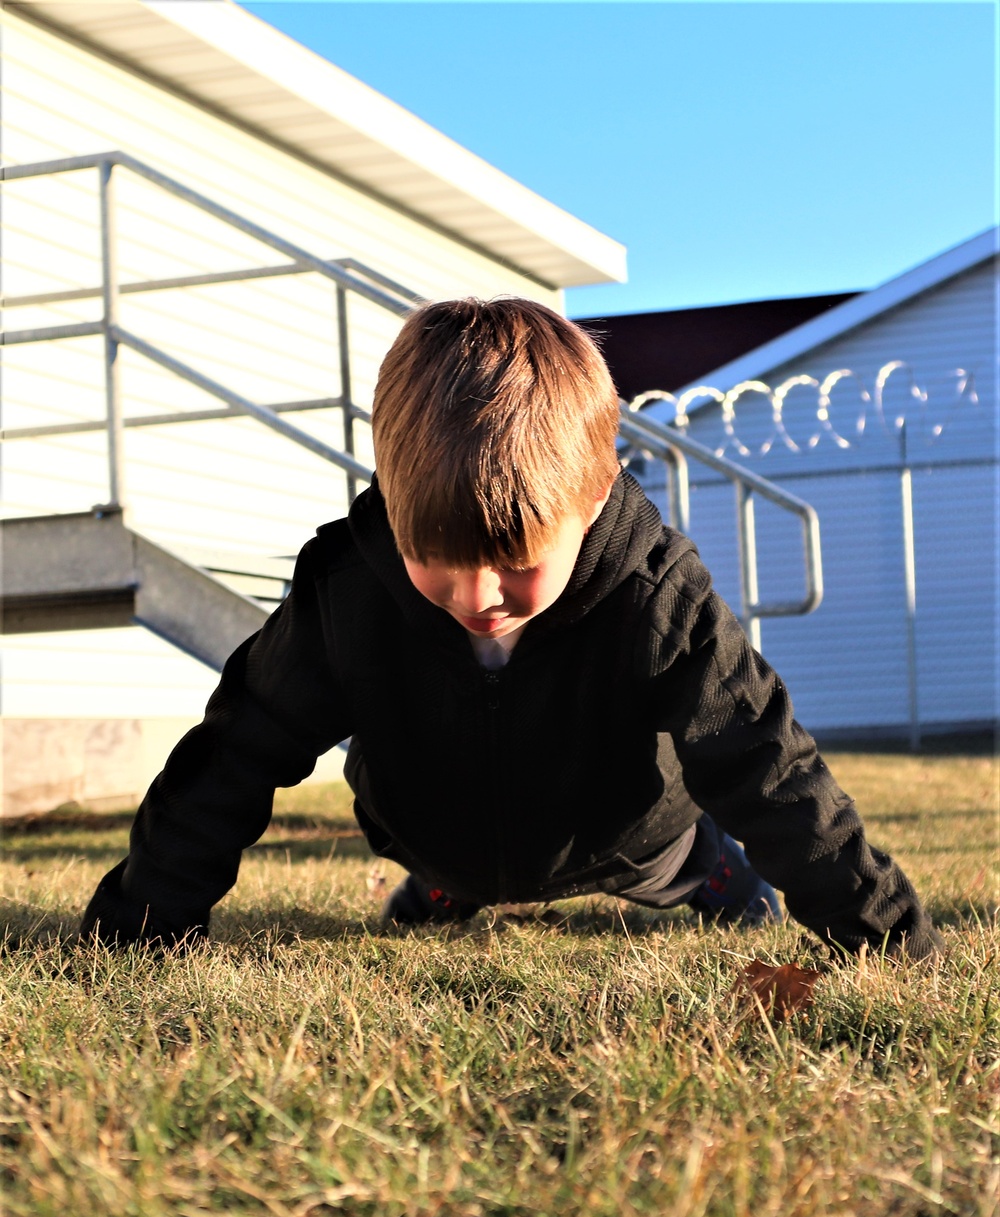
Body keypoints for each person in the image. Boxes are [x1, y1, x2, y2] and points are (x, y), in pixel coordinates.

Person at [82, 298, 940, 959]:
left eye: (514, 560)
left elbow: (764, 760)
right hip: (436, 829)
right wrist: (139, 925)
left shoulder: (654, 592)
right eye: (436, 560)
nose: (478, 594)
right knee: (449, 860)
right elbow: (236, 752)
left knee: (678, 853)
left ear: (595, 496)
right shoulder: (346, 589)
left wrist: (884, 936)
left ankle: (711, 873)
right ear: (392, 498)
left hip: (627, 839)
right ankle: (449, 887)